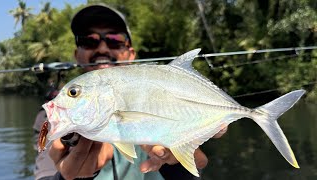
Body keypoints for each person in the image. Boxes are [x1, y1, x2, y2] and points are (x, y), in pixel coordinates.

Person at [34, 4, 228, 180]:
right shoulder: (51, 116)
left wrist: (176, 161)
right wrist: (65, 178)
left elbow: (196, 167)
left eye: (114, 40)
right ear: (77, 55)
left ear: (131, 53)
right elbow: (44, 173)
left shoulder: (159, 90)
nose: (102, 48)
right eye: (89, 41)